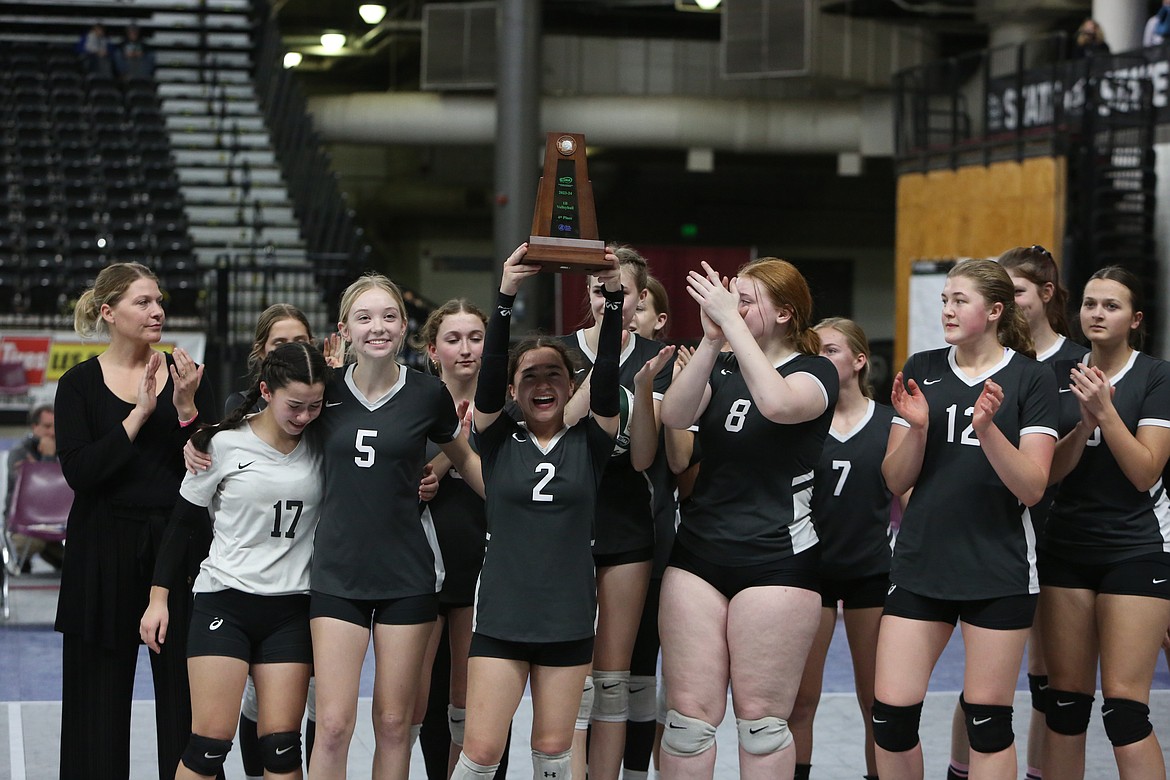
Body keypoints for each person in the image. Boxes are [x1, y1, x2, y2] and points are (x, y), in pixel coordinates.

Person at [449, 242, 626, 780]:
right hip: (503, 617)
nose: (542, 383)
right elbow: (493, 370)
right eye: (529, 376)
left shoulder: (591, 441)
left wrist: (614, 301)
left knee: (553, 751)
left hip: (568, 620)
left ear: (571, 386)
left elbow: (610, 368)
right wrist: (505, 296)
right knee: (480, 752)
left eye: (554, 375)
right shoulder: (498, 439)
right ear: (511, 390)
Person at [875, 258, 1057, 780]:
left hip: (997, 568)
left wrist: (988, 430)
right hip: (921, 561)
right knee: (890, 716)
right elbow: (895, 480)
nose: (948, 309)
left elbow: (1032, 486)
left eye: (961, 300)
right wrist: (917, 429)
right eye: (945, 299)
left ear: (995, 310)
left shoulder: (1031, 378)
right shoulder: (923, 367)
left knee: (988, 722)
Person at [659, 258, 839, 780]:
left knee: (761, 723)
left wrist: (731, 326)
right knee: (688, 721)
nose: (731, 307)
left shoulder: (816, 370)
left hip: (776, 560)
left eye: (746, 299)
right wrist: (714, 340)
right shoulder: (723, 364)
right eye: (730, 297)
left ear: (785, 313)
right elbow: (674, 415)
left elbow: (779, 405)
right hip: (698, 555)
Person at [306, 273, 484, 780]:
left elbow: (465, 461)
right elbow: (271, 427)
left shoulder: (428, 394)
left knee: (393, 721)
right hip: (337, 575)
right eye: (364, 318)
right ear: (344, 330)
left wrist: (521, 507)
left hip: (408, 577)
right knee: (334, 724)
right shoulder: (324, 391)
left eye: (388, 316)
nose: (377, 327)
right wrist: (201, 438)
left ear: (405, 326)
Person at [55, 261, 215, 780]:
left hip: (173, 549)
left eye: (158, 301)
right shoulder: (78, 385)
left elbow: (205, 465)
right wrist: (139, 413)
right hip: (99, 551)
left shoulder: (182, 373)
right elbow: (81, 472)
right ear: (109, 312)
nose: (157, 311)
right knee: (94, 709)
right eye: (142, 302)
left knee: (184, 704)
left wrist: (186, 406)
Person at [139, 341, 328, 780]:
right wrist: (158, 599)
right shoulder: (221, 444)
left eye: (314, 407)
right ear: (266, 390)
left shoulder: (322, 446)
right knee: (208, 745)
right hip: (225, 602)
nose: (303, 417)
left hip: (291, 609)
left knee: (282, 747)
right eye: (294, 406)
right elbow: (182, 524)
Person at [945, 245, 1086, 780]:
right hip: (995, 529)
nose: (1004, 299)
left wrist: (1088, 428)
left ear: (1045, 295)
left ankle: (1037, 771)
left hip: (1062, 525)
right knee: (984, 686)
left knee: (1048, 679)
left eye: (1017, 289)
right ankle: (963, 769)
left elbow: (1066, 456)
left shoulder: (1077, 363)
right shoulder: (979, 359)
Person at [1038, 266, 1170, 779]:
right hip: (1066, 548)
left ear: (1135, 319)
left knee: (1124, 709)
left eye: (1111, 306)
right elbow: (1048, 475)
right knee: (1065, 705)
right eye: (1090, 303)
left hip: (1135, 550)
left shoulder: (1156, 376)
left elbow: (1144, 472)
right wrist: (1084, 422)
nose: (1096, 313)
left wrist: (1104, 412)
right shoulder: (1056, 375)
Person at [560, 247, 675, 780]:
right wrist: (603, 360)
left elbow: (646, 456)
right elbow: (559, 429)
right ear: (587, 295)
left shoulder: (660, 357)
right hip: (565, 523)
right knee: (571, 676)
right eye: (600, 291)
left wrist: (644, 384)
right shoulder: (559, 352)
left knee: (612, 677)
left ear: (640, 298)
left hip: (628, 520)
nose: (610, 300)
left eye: (621, 292)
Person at [223, 303, 339, 780]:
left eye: (302, 344)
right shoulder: (237, 417)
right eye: (281, 345)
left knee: (313, 702)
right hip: (251, 581)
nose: (293, 352)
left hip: (313, 579)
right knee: (258, 701)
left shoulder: (325, 412)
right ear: (263, 356)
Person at [789, 318, 896, 780]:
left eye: (830, 350)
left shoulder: (892, 421)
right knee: (800, 700)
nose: (821, 358)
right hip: (810, 572)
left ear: (858, 360)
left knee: (876, 700)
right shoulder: (799, 421)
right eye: (814, 351)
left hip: (871, 572)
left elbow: (910, 499)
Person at [409, 299, 511, 779]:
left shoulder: (510, 408)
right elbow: (411, 480)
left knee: (478, 702)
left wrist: (460, 447)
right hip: (424, 566)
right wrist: (455, 448)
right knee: (424, 697)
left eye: (476, 337)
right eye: (453, 339)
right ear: (433, 350)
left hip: (484, 564)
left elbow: (512, 489)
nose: (466, 349)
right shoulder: (413, 403)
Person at [623, 275, 676, 780]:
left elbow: (678, 464)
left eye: (641, 306)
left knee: (642, 672)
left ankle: (637, 771)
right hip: (594, 541)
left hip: (653, 542)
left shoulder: (669, 375)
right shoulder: (581, 360)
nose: (630, 312)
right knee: (599, 677)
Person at [5, 402, 64, 572]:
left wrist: (37, 466)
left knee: (74, 561)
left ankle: (53, 554)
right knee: (32, 544)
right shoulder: (18, 452)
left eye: (55, 426)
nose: (52, 432)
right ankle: (21, 559)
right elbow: (36, 495)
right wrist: (47, 458)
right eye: (46, 426)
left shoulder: (63, 451)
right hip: (24, 524)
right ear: (34, 427)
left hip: (56, 523)